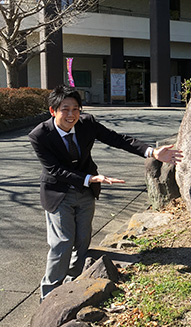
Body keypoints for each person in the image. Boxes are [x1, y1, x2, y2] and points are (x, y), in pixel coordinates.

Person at [29, 85, 183, 300]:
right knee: (62, 243)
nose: (71, 114)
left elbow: (118, 139)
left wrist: (152, 152)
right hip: (58, 193)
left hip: (86, 192)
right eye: (65, 109)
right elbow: (54, 170)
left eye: (76, 109)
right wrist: (89, 179)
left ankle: (72, 287)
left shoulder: (87, 124)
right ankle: (49, 295)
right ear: (53, 110)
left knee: (82, 241)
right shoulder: (39, 135)